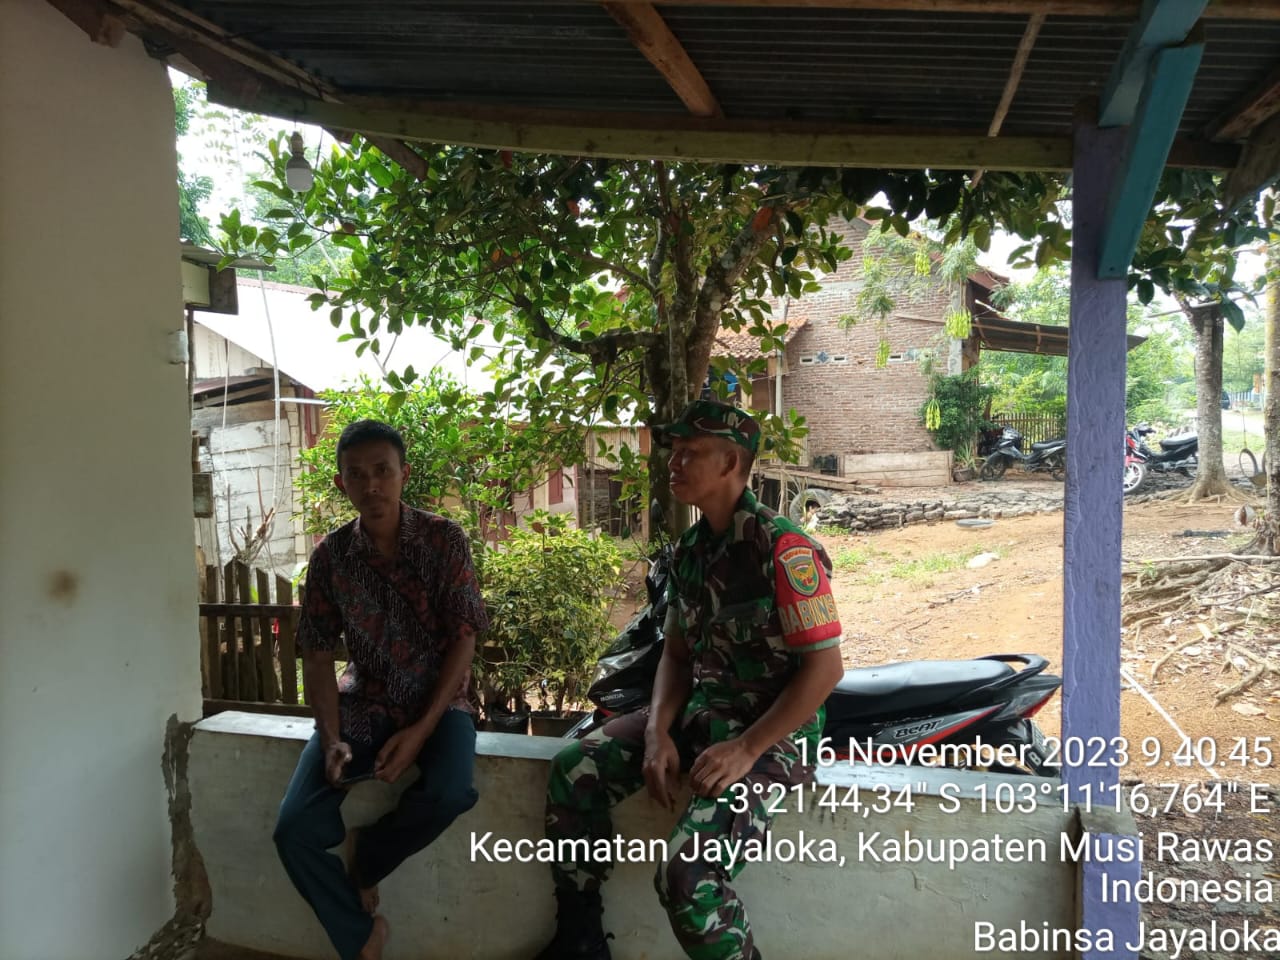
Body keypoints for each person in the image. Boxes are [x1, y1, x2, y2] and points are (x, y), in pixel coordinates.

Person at [533, 401, 845, 960]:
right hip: (702, 716)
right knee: (574, 767)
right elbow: (676, 656)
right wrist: (657, 732)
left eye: (690, 452)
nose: (674, 463)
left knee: (685, 875)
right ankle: (580, 940)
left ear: (731, 462)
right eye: (673, 452)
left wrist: (747, 748)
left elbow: (825, 669)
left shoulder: (783, 548)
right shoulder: (690, 552)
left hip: (773, 738)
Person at [273, 419, 488, 960]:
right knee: (294, 828)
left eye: (382, 471)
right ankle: (361, 937)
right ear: (341, 483)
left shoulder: (443, 540)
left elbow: (465, 637)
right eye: (356, 474)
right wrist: (330, 737)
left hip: (440, 699)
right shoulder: (330, 558)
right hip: (365, 701)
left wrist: (420, 733)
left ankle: (368, 856)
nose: (371, 485)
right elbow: (316, 653)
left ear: (403, 475)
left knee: (451, 792)